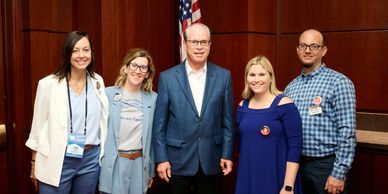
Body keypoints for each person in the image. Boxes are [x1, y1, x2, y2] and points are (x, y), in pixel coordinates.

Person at [153, 23, 234, 194]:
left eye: (204, 42)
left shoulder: (223, 76)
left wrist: (227, 154)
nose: (199, 47)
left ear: (210, 45)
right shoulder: (167, 78)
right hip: (175, 163)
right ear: (185, 44)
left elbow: (227, 121)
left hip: (211, 161)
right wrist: (161, 159)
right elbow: (159, 125)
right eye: (194, 42)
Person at [25, 31, 109, 194]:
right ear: (67, 53)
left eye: (86, 50)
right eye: (75, 50)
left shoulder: (98, 81)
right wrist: (34, 163)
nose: (81, 55)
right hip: (57, 158)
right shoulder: (48, 84)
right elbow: (37, 128)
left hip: (90, 160)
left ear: (91, 52)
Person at [284, 29, 356, 194]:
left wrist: (338, 173)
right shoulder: (290, 87)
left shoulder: (339, 82)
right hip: (296, 166)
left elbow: (347, 132)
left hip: (325, 168)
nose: (307, 50)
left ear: (323, 50)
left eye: (314, 46)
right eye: (303, 45)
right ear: (297, 49)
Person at [235, 56, 303, 194]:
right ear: (247, 78)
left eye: (262, 74)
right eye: (252, 74)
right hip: (249, 176)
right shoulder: (242, 107)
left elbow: (295, 147)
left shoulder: (285, 105)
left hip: (277, 178)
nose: (256, 79)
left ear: (271, 77)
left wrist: (288, 186)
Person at [99, 48, 157, 194]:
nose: (138, 71)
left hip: (139, 163)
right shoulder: (107, 94)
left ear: (148, 74)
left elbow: (153, 138)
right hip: (115, 162)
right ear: (125, 68)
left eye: (143, 67)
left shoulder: (153, 99)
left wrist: (150, 170)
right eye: (134, 65)